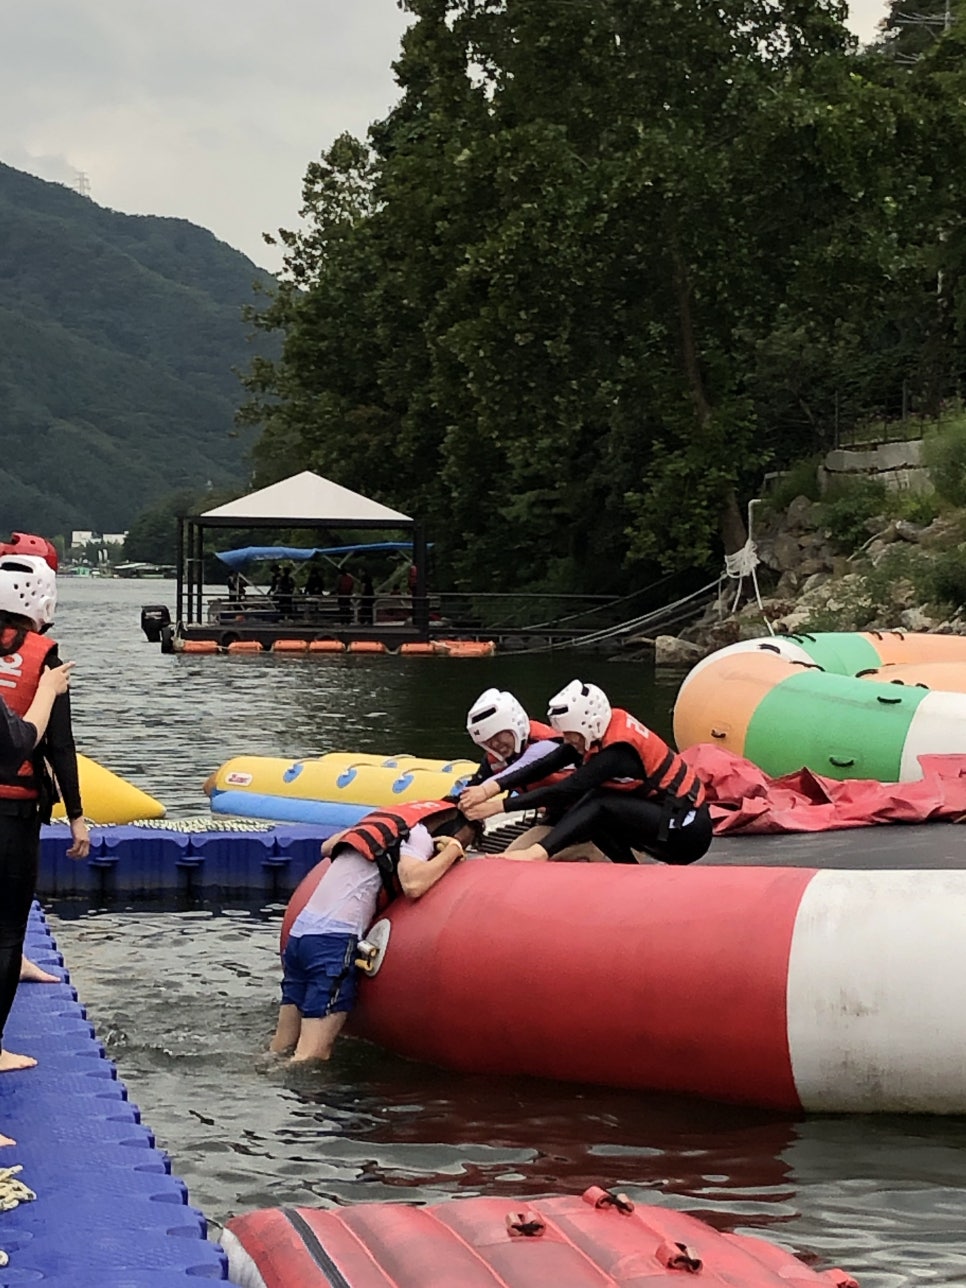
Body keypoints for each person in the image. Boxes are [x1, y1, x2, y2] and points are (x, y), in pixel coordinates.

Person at [269, 800, 480, 1064]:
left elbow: (327, 847)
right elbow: (413, 884)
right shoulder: (418, 836)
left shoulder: (384, 825)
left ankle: (262, 1075)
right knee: (312, 1055)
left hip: (300, 936)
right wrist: (452, 851)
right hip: (333, 942)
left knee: (280, 1046)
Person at [0, 536, 90, 1146]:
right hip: (14, 810)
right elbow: (57, 743)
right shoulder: (44, 658)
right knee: (7, 929)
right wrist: (77, 816)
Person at [464, 680, 713, 867]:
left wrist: (499, 807)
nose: (566, 740)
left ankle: (537, 854)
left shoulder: (618, 752)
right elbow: (547, 763)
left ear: (590, 724)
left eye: (570, 734)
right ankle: (629, 871)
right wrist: (490, 789)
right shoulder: (594, 735)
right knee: (594, 807)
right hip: (663, 821)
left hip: (686, 831)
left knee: (598, 801)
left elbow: (565, 790)